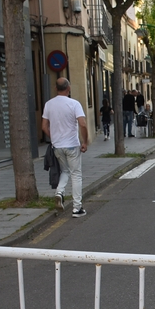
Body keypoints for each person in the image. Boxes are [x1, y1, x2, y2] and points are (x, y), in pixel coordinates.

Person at [42, 78, 88, 218]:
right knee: (76, 174)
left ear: (56, 88)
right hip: (72, 144)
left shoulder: (49, 104)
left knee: (65, 171)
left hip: (57, 146)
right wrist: (85, 141)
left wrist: (54, 137)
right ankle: (77, 208)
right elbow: (83, 124)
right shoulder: (74, 104)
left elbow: (44, 127)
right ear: (69, 88)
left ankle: (59, 192)